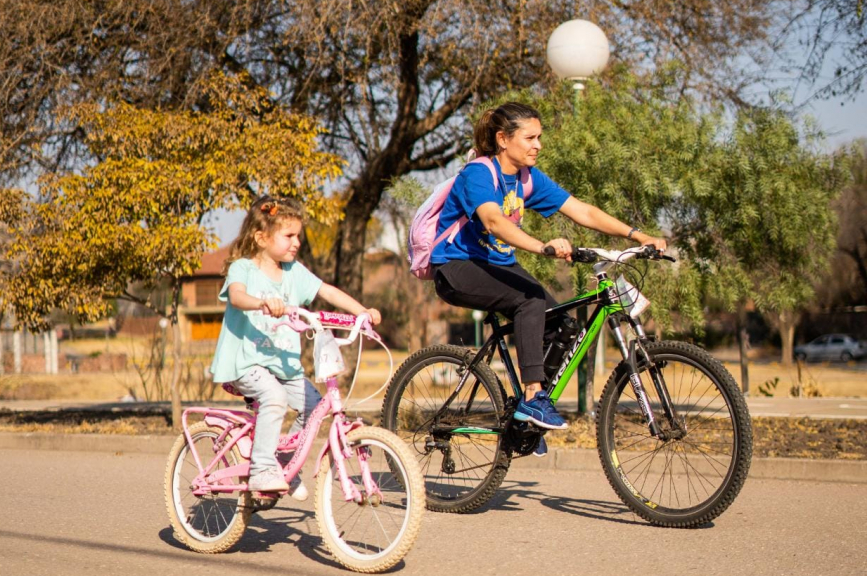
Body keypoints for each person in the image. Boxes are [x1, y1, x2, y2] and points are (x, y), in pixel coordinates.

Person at [430, 102, 666, 454]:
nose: (538, 144)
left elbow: (581, 210)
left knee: (564, 327)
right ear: (503, 139)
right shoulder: (478, 174)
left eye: (540, 137)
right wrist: (543, 248)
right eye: (530, 137)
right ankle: (532, 397)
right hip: (456, 266)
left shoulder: (527, 178)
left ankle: (525, 421)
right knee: (530, 300)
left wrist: (637, 236)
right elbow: (494, 221)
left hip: (497, 266)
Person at [210, 196, 382, 496]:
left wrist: (362, 312)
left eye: (298, 235)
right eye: (288, 235)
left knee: (314, 407)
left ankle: (285, 462)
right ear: (261, 237)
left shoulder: (294, 273)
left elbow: (326, 290)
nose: (297, 242)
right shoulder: (243, 268)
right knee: (274, 397)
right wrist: (261, 302)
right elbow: (236, 296)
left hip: (283, 365)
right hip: (246, 363)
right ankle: (262, 470)